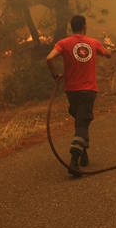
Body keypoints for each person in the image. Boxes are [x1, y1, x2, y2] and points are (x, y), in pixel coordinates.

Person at [46, 15, 112, 175]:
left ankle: (84, 154)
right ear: (84, 26)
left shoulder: (63, 43)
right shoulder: (94, 43)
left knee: (80, 119)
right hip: (88, 91)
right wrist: (109, 49)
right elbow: (107, 54)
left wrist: (55, 75)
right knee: (83, 123)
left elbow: (49, 58)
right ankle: (74, 160)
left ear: (72, 27)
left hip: (71, 91)